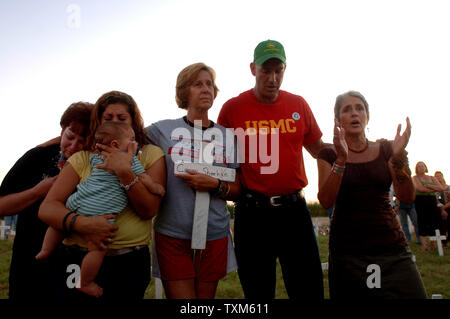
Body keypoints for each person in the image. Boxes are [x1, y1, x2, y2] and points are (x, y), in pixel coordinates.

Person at [217, 40, 325, 299]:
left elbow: (319, 150)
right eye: (266, 70)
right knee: (257, 292)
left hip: (294, 212)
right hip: (252, 214)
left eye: (279, 70)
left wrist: (355, 149)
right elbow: (220, 159)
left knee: (308, 289)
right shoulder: (232, 108)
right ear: (253, 68)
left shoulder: (298, 104)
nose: (273, 78)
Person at [39, 90, 166, 299]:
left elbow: (149, 210)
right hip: (76, 254)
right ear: (99, 122)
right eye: (108, 118)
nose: (116, 123)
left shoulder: (149, 154)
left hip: (128, 260)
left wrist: (124, 172)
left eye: (122, 118)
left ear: (133, 122)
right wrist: (83, 224)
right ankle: (46, 250)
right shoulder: (84, 158)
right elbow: (48, 208)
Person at [317, 90, 427, 299]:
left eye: (359, 108)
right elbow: (325, 200)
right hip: (347, 252)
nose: (354, 113)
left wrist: (399, 158)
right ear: (337, 120)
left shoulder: (386, 148)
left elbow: (407, 197)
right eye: (347, 110)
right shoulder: (328, 153)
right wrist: (341, 160)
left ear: (367, 116)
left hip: (391, 247)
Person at [146, 63, 241, 299]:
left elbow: (238, 189)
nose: (206, 89)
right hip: (172, 234)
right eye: (198, 84)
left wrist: (216, 185)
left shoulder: (228, 137)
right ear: (183, 92)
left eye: (209, 84)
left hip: (214, 234)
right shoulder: (161, 130)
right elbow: (123, 133)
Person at [0, 101, 93, 299]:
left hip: (75, 264)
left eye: (83, 140)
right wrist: (37, 191)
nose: (74, 146)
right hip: (29, 261)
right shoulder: (37, 157)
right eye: (70, 136)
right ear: (62, 130)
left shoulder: (97, 165)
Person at [412, 162, 446, 250]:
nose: (421, 168)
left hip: (432, 200)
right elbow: (420, 188)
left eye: (422, 166)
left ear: (425, 167)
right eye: (418, 166)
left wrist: (428, 185)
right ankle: (424, 245)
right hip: (420, 201)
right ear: (416, 168)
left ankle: (433, 243)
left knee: (433, 221)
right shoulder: (415, 178)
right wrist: (433, 188)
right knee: (422, 220)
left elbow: (441, 188)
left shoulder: (432, 177)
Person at [434, 171, 449, 247]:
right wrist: (442, 209)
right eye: (436, 176)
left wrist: (445, 206)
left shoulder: (448, 187)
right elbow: (437, 200)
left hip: (448, 207)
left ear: (442, 176)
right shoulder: (435, 189)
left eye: (439, 176)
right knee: (442, 225)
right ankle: (444, 243)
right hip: (439, 210)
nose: (438, 177)